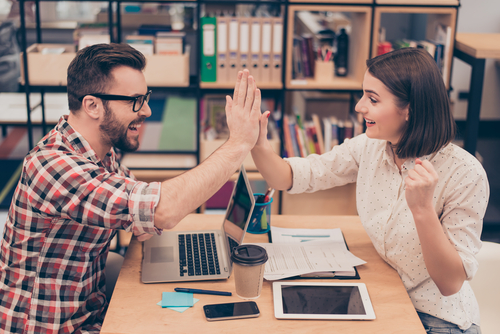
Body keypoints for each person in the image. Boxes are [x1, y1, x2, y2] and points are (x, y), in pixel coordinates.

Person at [0, 43, 262, 333]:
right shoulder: (53, 167)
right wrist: (238, 144)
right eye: (135, 101)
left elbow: (145, 215)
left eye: (146, 98)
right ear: (93, 105)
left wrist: (169, 225)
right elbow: (162, 210)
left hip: (86, 304)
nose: (147, 111)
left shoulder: (101, 154)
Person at [251, 48, 488, 333]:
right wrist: (257, 143)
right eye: (364, 95)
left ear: (410, 109)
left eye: (372, 99)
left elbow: (450, 284)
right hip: (385, 295)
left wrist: (423, 210)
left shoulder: (464, 173)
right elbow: (294, 176)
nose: (359, 107)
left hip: (437, 318)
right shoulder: (371, 146)